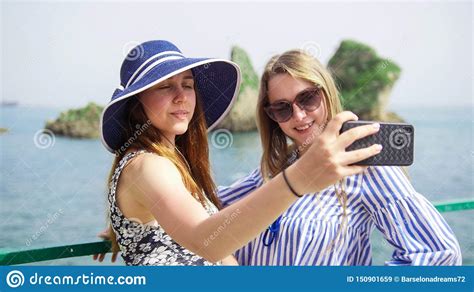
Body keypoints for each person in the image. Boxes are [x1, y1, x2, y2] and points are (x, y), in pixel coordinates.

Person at [94, 40, 382, 265]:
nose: (181, 96)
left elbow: (220, 211)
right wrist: (301, 178)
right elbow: (207, 242)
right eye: (165, 86)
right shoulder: (147, 166)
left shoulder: (168, 167)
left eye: (188, 85)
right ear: (136, 103)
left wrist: (136, 222)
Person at [217, 49, 462, 265]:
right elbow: (206, 213)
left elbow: (438, 253)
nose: (299, 116)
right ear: (270, 116)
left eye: (307, 98)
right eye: (282, 108)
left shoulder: (363, 163)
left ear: (326, 93)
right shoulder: (271, 170)